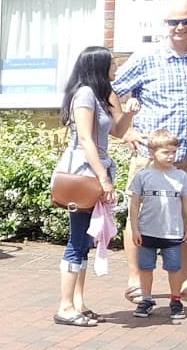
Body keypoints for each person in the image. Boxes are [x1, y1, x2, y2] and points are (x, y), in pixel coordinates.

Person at [114, 0, 187, 306]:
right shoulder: (146, 57)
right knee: (139, 215)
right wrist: (124, 129)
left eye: (186, 21)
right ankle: (136, 281)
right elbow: (112, 91)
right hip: (151, 154)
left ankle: (185, 282)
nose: (179, 27)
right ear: (164, 25)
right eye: (173, 22)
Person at [54, 47, 134, 327]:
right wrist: (104, 178)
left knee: (86, 239)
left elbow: (117, 131)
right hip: (84, 174)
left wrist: (131, 113)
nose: (116, 69)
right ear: (99, 66)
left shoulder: (100, 96)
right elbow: (87, 140)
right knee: (77, 240)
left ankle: (78, 302)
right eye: (112, 64)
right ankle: (65, 306)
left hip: (95, 171)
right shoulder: (85, 94)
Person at [125, 130, 187, 322]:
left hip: (172, 233)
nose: (171, 156)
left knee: (174, 268)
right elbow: (134, 203)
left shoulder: (180, 176)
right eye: (166, 152)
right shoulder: (143, 176)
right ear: (152, 152)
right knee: (146, 267)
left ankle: (175, 299)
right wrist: (135, 227)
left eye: (174, 152)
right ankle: (147, 299)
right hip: (147, 230)